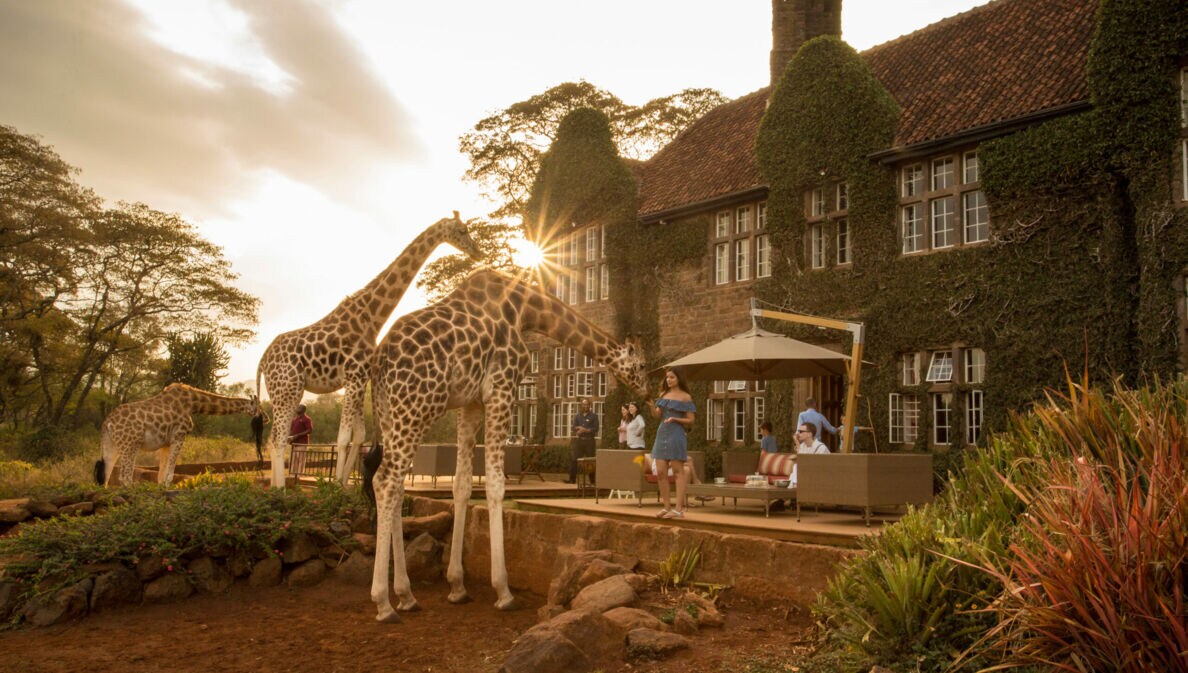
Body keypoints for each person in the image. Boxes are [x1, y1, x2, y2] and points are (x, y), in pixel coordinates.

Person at [650, 367, 695, 519]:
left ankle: (678, 509)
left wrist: (676, 419)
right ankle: (666, 507)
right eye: (667, 377)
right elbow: (657, 416)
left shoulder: (685, 397)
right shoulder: (663, 394)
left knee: (678, 471)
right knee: (661, 472)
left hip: (676, 435)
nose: (668, 380)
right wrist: (651, 406)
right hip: (661, 434)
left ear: (679, 379)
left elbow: (691, 420)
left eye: (672, 377)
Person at [566, 399, 599, 484]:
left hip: (589, 442)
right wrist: (578, 428)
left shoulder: (594, 416)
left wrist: (585, 430)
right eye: (584, 404)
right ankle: (572, 480)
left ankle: (592, 481)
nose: (585, 406)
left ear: (589, 405)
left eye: (587, 404)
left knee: (590, 461)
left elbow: (596, 429)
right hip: (579, 441)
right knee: (574, 459)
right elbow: (573, 427)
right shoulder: (578, 416)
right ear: (582, 405)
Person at [288, 404, 313, 474]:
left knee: (301, 461)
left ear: (303, 410)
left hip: (302, 443)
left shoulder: (307, 419)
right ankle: (292, 475)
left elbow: (310, 430)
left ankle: (299, 476)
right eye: (297, 407)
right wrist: (289, 438)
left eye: (299, 407)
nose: (297, 408)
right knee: (293, 461)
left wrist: (297, 435)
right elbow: (291, 430)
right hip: (294, 444)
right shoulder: (295, 419)